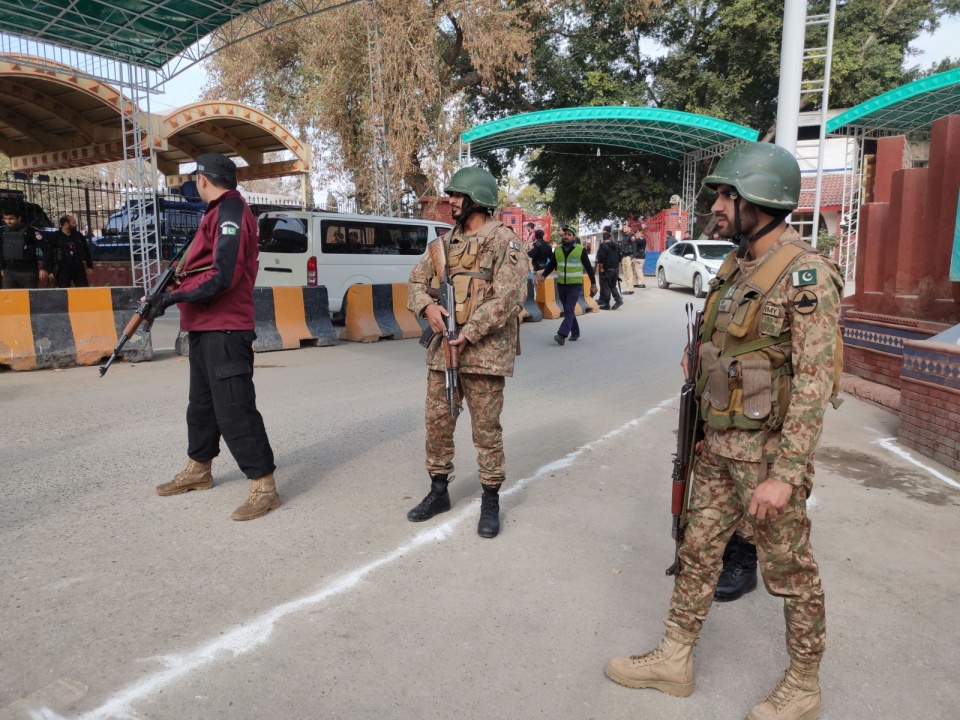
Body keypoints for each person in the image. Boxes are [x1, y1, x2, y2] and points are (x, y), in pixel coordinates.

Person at [606, 142, 843, 720]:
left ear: (759, 200)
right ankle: (675, 657)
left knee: (790, 571)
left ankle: (804, 685)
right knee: (698, 550)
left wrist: (785, 476)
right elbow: (729, 344)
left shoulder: (805, 275)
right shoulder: (738, 266)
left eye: (726, 195)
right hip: (718, 443)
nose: (716, 204)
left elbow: (814, 386)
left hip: (765, 458)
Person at [142, 153, 280, 522]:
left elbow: (223, 276)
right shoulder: (215, 213)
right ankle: (199, 468)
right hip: (203, 326)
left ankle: (264, 485)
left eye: (195, 179)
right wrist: (173, 287)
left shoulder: (231, 212)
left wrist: (174, 297)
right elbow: (201, 268)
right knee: (201, 405)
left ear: (203, 179)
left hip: (226, 326)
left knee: (234, 407)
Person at [406, 166, 527, 539]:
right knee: (438, 424)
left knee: (486, 430)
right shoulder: (442, 246)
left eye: (458, 196)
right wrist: (426, 307)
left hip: (484, 354)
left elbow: (509, 297)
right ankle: (439, 491)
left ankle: (490, 498)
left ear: (478, 199)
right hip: (444, 354)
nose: (452, 202)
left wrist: (469, 332)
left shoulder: (504, 241)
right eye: (452, 196)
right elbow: (415, 283)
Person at [535, 225, 597, 345]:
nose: (566, 236)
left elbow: (589, 268)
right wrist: (543, 276)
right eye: (565, 234)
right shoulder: (557, 249)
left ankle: (562, 334)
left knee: (569, 309)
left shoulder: (580, 249)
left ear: (573, 237)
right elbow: (552, 264)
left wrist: (593, 284)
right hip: (561, 285)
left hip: (575, 285)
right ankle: (575, 331)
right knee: (568, 310)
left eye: (569, 235)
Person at [1, 206, 49, 289]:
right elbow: (1, 250)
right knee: (9, 299)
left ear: (19, 218)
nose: (8, 221)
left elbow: (46, 249)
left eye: (11, 219)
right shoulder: (3, 232)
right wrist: (2, 267)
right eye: (6, 219)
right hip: (9, 271)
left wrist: (44, 268)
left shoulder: (30, 231)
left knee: (28, 299)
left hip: (28, 272)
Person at [47, 215, 93, 288]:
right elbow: (49, 253)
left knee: (83, 288)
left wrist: (89, 266)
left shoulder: (78, 235)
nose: (76, 225)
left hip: (77, 266)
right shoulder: (55, 236)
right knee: (63, 290)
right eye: (73, 223)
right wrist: (50, 270)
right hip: (62, 267)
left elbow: (86, 251)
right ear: (66, 224)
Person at [595, 231, 623, 311]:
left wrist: (601, 267)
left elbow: (601, 258)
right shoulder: (616, 246)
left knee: (605, 286)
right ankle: (618, 300)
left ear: (603, 239)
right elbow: (619, 258)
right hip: (615, 269)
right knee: (612, 285)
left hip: (607, 269)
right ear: (610, 238)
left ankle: (606, 304)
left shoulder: (603, 246)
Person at [617, 224, 636, 293]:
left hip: (629, 257)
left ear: (629, 228)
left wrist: (634, 257)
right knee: (625, 273)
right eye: (623, 227)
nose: (624, 228)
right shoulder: (624, 236)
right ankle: (628, 288)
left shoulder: (632, 236)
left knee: (629, 273)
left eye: (625, 227)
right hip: (624, 256)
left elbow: (634, 247)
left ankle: (630, 289)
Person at [632, 223, 648, 289]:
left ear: (640, 233)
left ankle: (641, 283)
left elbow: (637, 242)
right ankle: (636, 283)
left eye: (637, 233)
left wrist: (635, 238)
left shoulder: (642, 239)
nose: (636, 234)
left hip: (640, 257)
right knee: (635, 270)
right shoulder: (637, 239)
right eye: (635, 233)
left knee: (638, 269)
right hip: (637, 256)